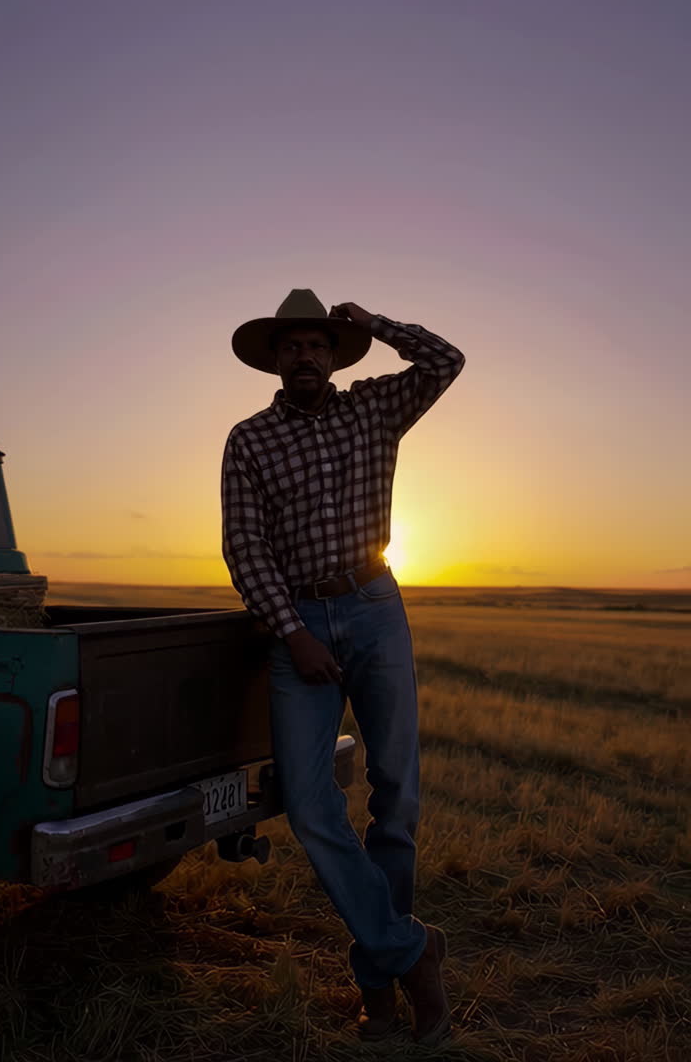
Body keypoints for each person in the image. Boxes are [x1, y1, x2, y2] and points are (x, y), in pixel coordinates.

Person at [221, 289, 465, 1045]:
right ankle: (409, 949)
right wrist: (292, 633)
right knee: (308, 801)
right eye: (291, 346)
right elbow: (245, 546)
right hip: (299, 624)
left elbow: (447, 360)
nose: (305, 356)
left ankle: (380, 995)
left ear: (334, 354)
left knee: (395, 797)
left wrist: (378, 324)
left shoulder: (375, 408)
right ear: (275, 358)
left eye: (318, 345)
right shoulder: (250, 439)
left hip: (373, 605)